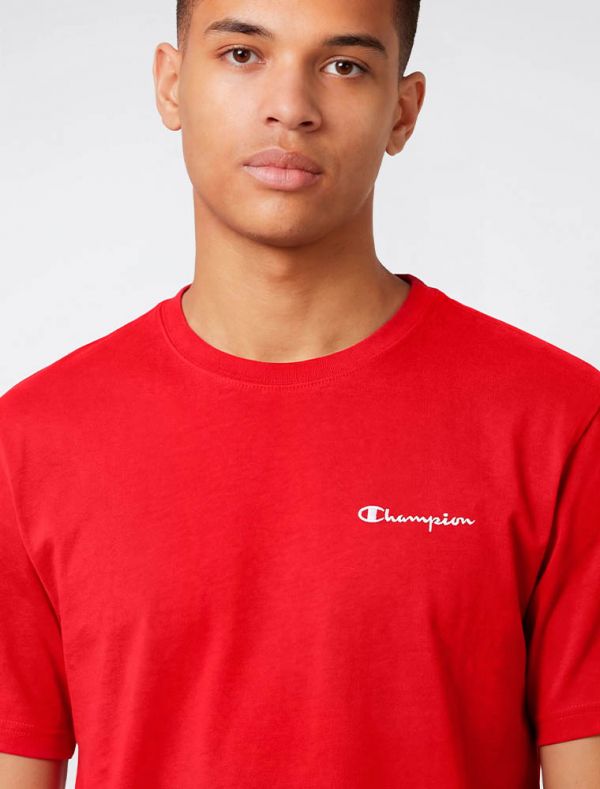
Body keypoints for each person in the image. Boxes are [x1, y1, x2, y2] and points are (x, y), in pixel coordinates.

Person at [1, 0, 599, 787]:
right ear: (172, 84)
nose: (291, 106)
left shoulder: (561, 422)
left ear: (403, 111)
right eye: (242, 55)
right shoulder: (31, 442)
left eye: (344, 65)